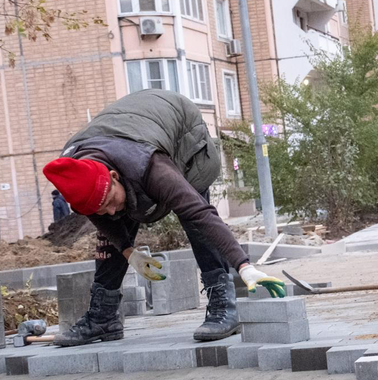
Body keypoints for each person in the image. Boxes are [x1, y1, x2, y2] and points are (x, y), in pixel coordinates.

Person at [42, 90, 286, 347]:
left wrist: (244, 266)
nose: (111, 210)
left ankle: (223, 304)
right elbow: (101, 215)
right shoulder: (76, 177)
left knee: (194, 218)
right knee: (112, 225)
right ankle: (103, 318)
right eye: (101, 208)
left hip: (184, 135)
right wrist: (128, 252)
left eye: (110, 201)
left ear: (114, 176)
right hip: (132, 131)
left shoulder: (151, 168)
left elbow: (202, 214)